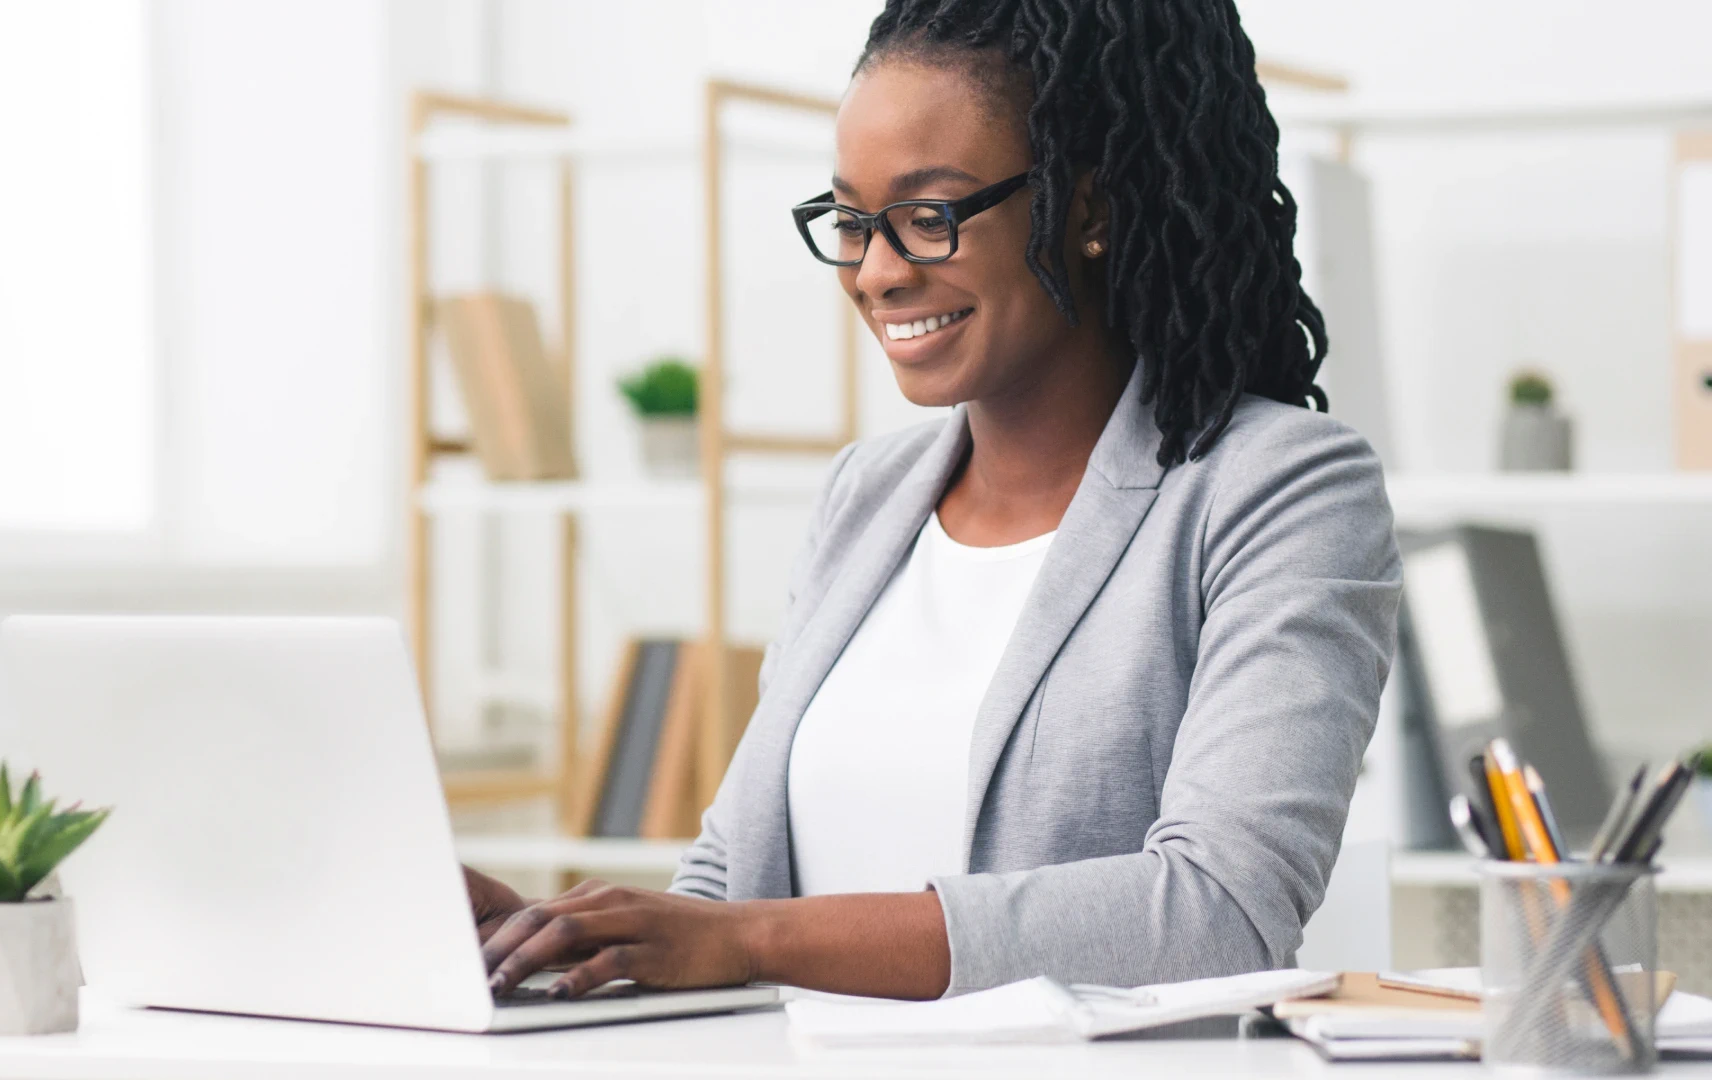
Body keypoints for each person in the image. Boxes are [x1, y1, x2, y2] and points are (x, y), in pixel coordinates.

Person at [464, 0, 1401, 1001]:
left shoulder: (1278, 490)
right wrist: (552, 943)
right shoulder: (864, 497)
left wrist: (749, 940)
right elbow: (729, 891)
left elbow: (1220, 914)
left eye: (928, 217)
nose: (876, 272)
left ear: (1090, 207)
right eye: (854, 223)